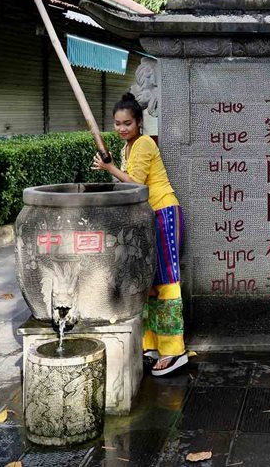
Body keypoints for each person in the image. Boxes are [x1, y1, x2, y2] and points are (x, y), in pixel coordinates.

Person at [92, 92, 187, 377]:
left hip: (163, 213)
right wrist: (112, 166)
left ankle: (175, 350)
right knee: (149, 283)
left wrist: (110, 168)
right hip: (146, 217)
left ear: (139, 122)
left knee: (168, 281)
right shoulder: (128, 148)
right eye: (118, 123)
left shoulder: (144, 144)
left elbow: (136, 184)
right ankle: (152, 346)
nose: (122, 128)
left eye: (127, 123)